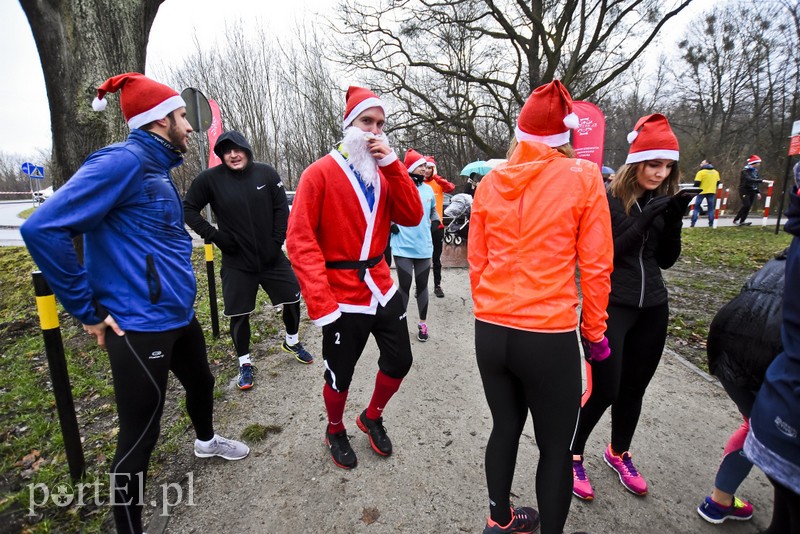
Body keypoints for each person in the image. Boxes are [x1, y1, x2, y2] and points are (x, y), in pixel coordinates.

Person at [20, 73, 249, 534]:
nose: (191, 126)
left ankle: (205, 441)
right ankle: (128, 527)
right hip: (139, 325)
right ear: (161, 120)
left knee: (202, 383)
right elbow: (42, 229)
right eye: (183, 117)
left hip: (177, 316)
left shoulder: (155, 167)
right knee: (140, 437)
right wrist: (87, 310)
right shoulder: (121, 162)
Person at [469, 79, 613, 534]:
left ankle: (499, 520)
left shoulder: (491, 182)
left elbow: (477, 261)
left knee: (504, 427)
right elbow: (596, 267)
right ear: (564, 136)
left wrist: (490, 306)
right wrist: (595, 333)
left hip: (491, 331)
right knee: (555, 448)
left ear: (520, 132)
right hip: (546, 336)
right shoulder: (585, 177)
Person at [286, 86, 423, 470]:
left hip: (381, 283)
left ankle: (372, 416)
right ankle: (334, 428)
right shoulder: (319, 173)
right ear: (349, 125)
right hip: (341, 293)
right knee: (340, 373)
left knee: (400, 359)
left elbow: (412, 217)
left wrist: (396, 165)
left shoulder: (385, 172)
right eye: (367, 122)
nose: (374, 131)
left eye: (381, 124)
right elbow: (299, 240)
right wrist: (320, 302)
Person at [571, 113, 691, 501]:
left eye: (667, 166)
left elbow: (667, 260)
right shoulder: (608, 199)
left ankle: (618, 452)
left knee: (634, 390)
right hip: (610, 306)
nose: (660, 173)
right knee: (605, 389)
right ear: (636, 161)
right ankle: (571, 454)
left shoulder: (663, 200)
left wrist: (671, 221)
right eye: (654, 164)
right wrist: (646, 219)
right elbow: (605, 254)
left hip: (653, 307)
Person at [183, 130, 314, 391]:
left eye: (237, 149)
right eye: (226, 151)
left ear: (246, 149)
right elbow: (187, 208)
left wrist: (277, 241)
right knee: (239, 314)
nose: (233, 154)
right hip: (236, 262)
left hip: (272, 258)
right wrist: (214, 236)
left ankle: (292, 340)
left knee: (292, 299)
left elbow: (281, 209)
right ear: (221, 155)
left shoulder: (266, 174)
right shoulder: (210, 179)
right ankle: (244, 363)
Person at [696, 251, 785, 524]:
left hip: (728, 340)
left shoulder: (782, 258)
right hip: (774, 352)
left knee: (754, 425)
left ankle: (719, 501)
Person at [743, 165, 800, 534]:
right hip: (787, 399)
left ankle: (718, 497)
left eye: (666, 165)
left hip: (781, 396)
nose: (660, 172)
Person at [392, 149, 440, 342]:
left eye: (426, 166)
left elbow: (433, 211)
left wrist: (436, 221)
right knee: (404, 285)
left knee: (422, 286)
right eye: (421, 165)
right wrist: (391, 224)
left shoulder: (428, 190)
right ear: (411, 168)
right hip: (402, 246)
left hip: (423, 247)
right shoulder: (399, 188)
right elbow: (386, 210)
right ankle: (400, 324)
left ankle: (422, 323)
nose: (425, 168)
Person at [422, 155, 455, 298]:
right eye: (426, 167)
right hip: (422, 227)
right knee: (421, 259)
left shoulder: (438, 183)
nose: (427, 170)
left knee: (436, 258)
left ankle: (437, 286)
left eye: (430, 168)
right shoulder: (418, 184)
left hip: (438, 227)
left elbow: (450, 188)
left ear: (433, 169)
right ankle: (421, 286)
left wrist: (437, 177)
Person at [732, 155, 763, 226]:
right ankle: (736, 219)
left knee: (749, 206)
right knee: (746, 205)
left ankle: (742, 221)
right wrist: (762, 181)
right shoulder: (745, 171)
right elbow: (749, 180)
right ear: (754, 163)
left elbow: (755, 183)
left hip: (752, 190)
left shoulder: (755, 171)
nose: (759, 164)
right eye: (758, 163)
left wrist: (757, 192)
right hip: (744, 190)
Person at [690, 159, 721, 227]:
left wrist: (694, 191)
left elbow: (697, 183)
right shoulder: (716, 172)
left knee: (696, 208)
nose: (700, 164)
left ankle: (693, 223)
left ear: (706, 163)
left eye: (702, 163)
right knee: (710, 209)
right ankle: (711, 223)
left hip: (701, 192)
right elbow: (718, 183)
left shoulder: (701, 172)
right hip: (712, 192)